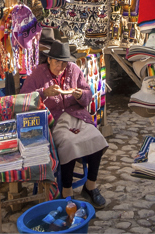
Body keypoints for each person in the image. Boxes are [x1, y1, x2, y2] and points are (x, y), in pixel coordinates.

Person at [20, 41, 108, 208]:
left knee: (97, 138)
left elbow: (88, 94)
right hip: (54, 120)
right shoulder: (38, 74)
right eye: (57, 62)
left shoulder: (73, 70)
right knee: (68, 143)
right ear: (49, 60)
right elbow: (23, 98)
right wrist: (43, 93)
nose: (61, 66)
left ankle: (90, 187)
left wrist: (81, 94)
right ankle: (67, 192)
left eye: (64, 62)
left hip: (77, 116)